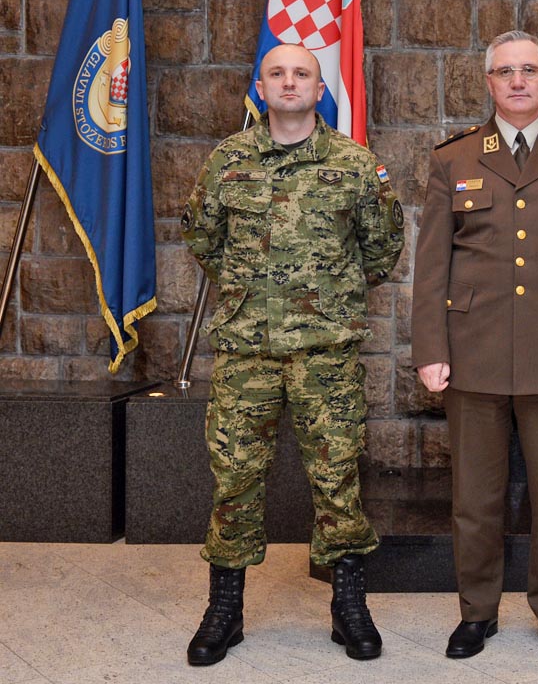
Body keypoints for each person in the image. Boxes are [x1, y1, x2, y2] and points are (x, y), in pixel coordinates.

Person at [181, 43, 405, 665]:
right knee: (235, 479)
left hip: (326, 355)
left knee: (337, 479)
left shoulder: (355, 166)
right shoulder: (227, 160)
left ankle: (348, 606)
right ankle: (224, 610)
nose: (289, 82)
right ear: (260, 87)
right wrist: (252, 294)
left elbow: (381, 250)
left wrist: (325, 300)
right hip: (246, 353)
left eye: (301, 73)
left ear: (318, 88)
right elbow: (203, 239)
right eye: (276, 73)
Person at [411, 30, 538, 661]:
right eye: (506, 71)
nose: (519, 80)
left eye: (531, 69)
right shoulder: (454, 158)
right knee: (475, 499)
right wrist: (430, 347)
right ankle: (477, 611)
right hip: (471, 350)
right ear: (489, 82)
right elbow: (433, 264)